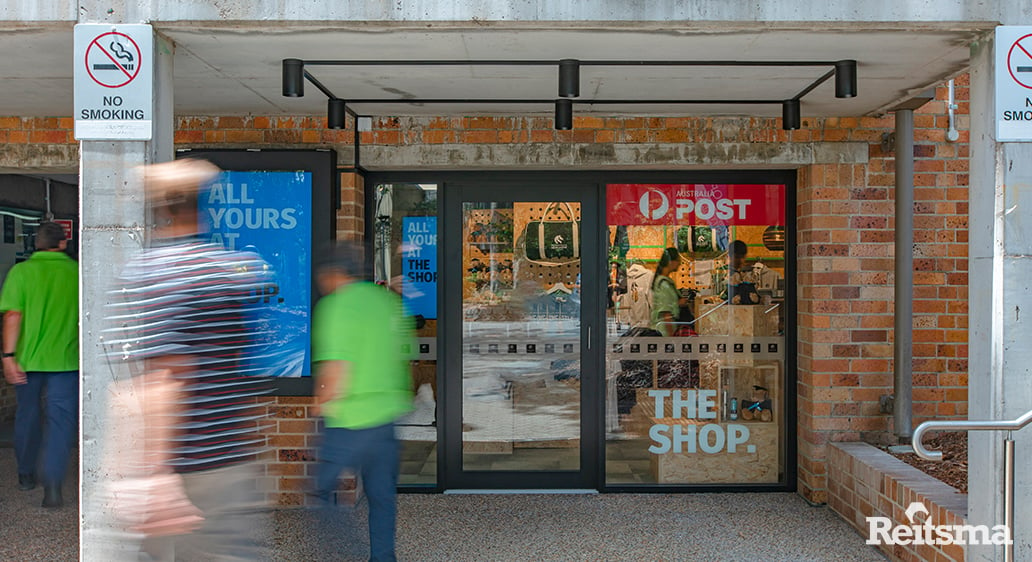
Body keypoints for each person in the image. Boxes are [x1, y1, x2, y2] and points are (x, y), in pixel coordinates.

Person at [104, 159, 271, 558]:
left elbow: (167, 376)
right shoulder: (234, 271)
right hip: (230, 460)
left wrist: (155, 472)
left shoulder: (154, 272)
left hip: (182, 469)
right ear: (202, 206)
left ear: (160, 209)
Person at [312, 242, 415, 562]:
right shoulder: (385, 301)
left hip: (350, 419)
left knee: (320, 492)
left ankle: (350, 551)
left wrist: (321, 401)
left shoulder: (336, 305)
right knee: (382, 498)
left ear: (331, 274)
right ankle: (383, 557)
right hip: (385, 418)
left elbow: (336, 367)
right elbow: (405, 351)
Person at [0, 222, 78, 508]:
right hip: (67, 361)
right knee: (61, 421)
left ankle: (25, 475)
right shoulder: (76, 273)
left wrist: (9, 356)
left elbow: (12, 316)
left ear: (36, 245)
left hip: (28, 361)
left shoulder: (21, 273)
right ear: (62, 244)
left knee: (28, 416)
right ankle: (54, 485)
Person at [651, 247, 689, 337]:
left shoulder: (663, 282)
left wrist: (677, 303)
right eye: (677, 260)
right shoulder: (664, 284)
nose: (679, 264)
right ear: (670, 262)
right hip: (664, 333)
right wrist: (672, 338)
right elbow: (666, 314)